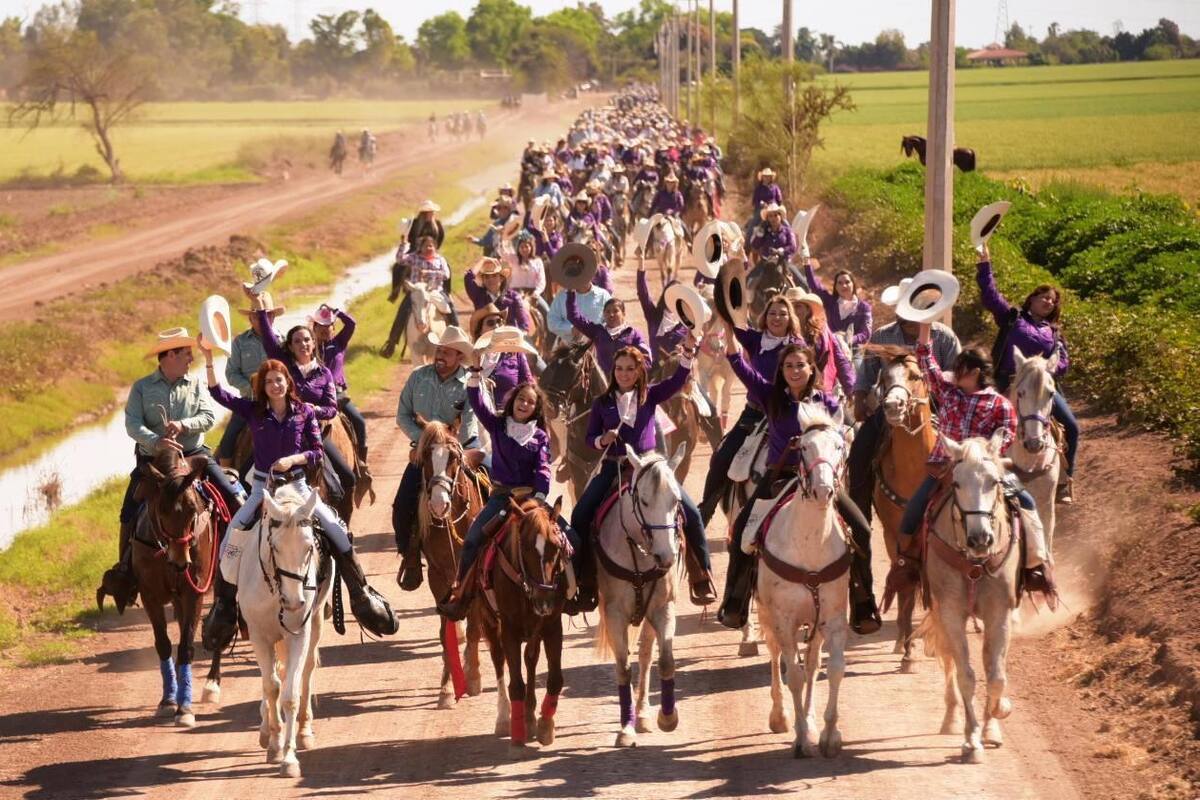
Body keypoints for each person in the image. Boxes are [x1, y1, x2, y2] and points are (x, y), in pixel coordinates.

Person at [200, 348, 397, 648]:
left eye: (279, 380)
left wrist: (293, 460)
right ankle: (224, 608)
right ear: (263, 387)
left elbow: (316, 452)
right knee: (231, 539)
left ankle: (361, 595)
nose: (274, 386)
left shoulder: (304, 412)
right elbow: (218, 393)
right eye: (269, 382)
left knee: (338, 531)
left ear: (287, 383)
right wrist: (208, 360)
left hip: (298, 487)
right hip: (263, 490)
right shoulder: (254, 411)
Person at [717, 333, 881, 633]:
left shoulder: (828, 402)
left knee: (862, 530)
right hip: (779, 477)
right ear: (781, 371)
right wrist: (729, 330)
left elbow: (842, 437)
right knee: (741, 530)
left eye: (800, 365)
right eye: (789, 365)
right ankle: (735, 601)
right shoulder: (771, 397)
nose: (794, 371)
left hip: (821, 479)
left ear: (811, 369)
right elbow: (740, 365)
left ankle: (862, 601)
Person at [898, 322, 1054, 593]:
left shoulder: (1000, 404)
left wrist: (983, 453)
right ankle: (905, 564)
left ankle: (1035, 566)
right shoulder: (948, 392)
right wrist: (925, 323)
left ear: (975, 373)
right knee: (913, 509)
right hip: (945, 469)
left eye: (960, 369)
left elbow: (1007, 436)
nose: (953, 373)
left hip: (985, 471)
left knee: (1027, 504)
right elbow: (925, 360)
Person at [99, 328, 246, 612]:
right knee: (129, 510)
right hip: (153, 462)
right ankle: (126, 571)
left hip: (194, 457)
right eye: (185, 354)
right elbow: (132, 424)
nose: (191, 358)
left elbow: (208, 416)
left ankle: (236, 564)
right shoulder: (141, 388)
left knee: (234, 499)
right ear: (169, 356)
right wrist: (156, 441)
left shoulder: (195, 384)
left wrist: (183, 425)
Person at [570, 345, 717, 608]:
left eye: (630, 369)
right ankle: (585, 581)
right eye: (619, 369)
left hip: (650, 468)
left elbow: (676, 381)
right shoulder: (602, 403)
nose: (624, 374)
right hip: (615, 467)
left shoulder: (649, 396)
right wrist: (602, 440)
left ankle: (701, 576)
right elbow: (589, 438)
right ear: (613, 371)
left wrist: (686, 356)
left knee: (692, 513)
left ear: (639, 372)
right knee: (580, 515)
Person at [435, 380, 580, 620]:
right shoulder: (497, 425)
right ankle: (460, 596)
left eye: (530, 402)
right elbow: (479, 404)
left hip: (533, 498)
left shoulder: (540, 436)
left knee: (572, 539)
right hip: (502, 498)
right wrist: (474, 378)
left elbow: (543, 468)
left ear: (536, 408)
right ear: (513, 401)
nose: (524, 404)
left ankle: (572, 594)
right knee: (472, 540)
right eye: (521, 399)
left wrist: (540, 495)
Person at [976, 244, 1077, 503]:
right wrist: (985, 264)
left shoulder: (1055, 333)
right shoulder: (1013, 318)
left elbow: (1063, 362)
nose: (1048, 301)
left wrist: (1045, 368)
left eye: (1053, 301)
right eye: (1044, 296)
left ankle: (1064, 481)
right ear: (1032, 298)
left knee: (1072, 426)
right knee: (982, 421)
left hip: (1041, 385)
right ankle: (978, 471)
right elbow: (990, 295)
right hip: (1008, 380)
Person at [697, 295, 802, 524]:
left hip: (785, 415)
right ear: (765, 316)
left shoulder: (797, 346)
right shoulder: (756, 339)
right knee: (722, 457)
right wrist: (726, 311)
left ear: (790, 318)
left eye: (782, 313)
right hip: (753, 414)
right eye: (772, 313)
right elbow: (733, 324)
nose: (777, 318)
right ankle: (705, 511)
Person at [392, 329, 482, 591]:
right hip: (425, 451)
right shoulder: (417, 377)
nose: (440, 355)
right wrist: (425, 442)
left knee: (494, 489)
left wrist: (448, 445)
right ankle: (410, 556)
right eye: (439, 350)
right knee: (402, 505)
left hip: (461, 448)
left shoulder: (469, 383)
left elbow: (469, 424)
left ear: (459, 356)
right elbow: (403, 415)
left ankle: (499, 550)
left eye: (447, 352)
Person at [216, 292, 282, 468]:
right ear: (250, 318)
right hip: (249, 402)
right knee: (227, 442)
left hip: (279, 402)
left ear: (273, 317)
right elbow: (231, 373)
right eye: (257, 316)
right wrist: (252, 388)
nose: (262, 319)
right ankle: (227, 477)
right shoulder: (239, 342)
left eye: (267, 315)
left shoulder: (283, 341)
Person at [310, 304, 369, 470]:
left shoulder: (339, 343)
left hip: (339, 395)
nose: (325, 329)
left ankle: (361, 461)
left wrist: (336, 312)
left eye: (328, 325)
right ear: (314, 328)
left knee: (359, 421)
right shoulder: (309, 348)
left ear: (334, 328)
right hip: (317, 397)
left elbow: (351, 324)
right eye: (320, 326)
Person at [382, 234, 457, 358]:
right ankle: (392, 343)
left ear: (435, 247)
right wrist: (403, 244)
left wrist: (428, 273)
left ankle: (456, 336)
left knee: (450, 308)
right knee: (402, 312)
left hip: (434, 291)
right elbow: (400, 259)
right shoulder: (414, 258)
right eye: (425, 246)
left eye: (431, 246)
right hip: (416, 291)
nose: (428, 248)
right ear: (420, 248)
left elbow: (446, 274)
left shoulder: (440, 259)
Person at [803, 256, 873, 363]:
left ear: (853, 284)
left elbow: (865, 334)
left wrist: (849, 339)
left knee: (858, 371)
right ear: (835, 286)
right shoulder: (830, 301)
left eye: (847, 282)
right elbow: (814, 285)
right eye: (839, 283)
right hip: (831, 347)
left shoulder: (864, 307)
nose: (844, 285)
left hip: (854, 350)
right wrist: (807, 263)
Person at [565, 291, 650, 374]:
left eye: (615, 311)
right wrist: (571, 293)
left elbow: (647, 360)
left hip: (626, 380)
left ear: (623, 313)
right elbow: (573, 317)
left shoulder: (634, 334)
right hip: (602, 381)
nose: (611, 314)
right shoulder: (597, 331)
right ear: (604, 314)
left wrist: (631, 372)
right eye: (607, 311)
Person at [470, 304, 532, 409]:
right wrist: (481, 384)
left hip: (508, 413)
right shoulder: (472, 355)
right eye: (490, 323)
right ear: (480, 330)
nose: (496, 326)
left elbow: (528, 383)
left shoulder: (515, 352)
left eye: (499, 321)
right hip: (478, 413)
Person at [464, 257, 532, 332]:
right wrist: (483, 260)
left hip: (510, 336)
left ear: (501, 278)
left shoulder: (513, 297)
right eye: (487, 277)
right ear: (483, 280)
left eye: (494, 276)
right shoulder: (478, 295)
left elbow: (523, 323)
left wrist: (521, 332)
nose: (490, 279)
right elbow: (468, 278)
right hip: (486, 337)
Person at [547, 278, 611, 345]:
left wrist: (596, 332)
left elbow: (613, 323)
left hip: (596, 346)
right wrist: (571, 329)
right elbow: (551, 322)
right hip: (567, 347)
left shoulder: (603, 295)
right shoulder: (562, 296)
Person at [505, 231, 550, 317]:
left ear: (531, 247)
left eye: (526, 246)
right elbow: (502, 252)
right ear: (518, 248)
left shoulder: (538, 261)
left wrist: (536, 293)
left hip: (532, 294)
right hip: (514, 293)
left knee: (548, 313)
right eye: (522, 247)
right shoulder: (513, 259)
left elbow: (542, 281)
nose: (524, 249)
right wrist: (504, 237)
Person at [747, 204, 796, 274]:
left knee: (800, 280)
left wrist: (781, 251)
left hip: (784, 262)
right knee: (749, 279)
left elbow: (792, 246)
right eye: (770, 216)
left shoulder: (788, 231)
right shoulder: (764, 231)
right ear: (768, 218)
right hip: (765, 263)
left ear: (780, 217)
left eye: (776, 215)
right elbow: (755, 245)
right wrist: (761, 232)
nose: (773, 218)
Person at [745, 168, 783, 239]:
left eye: (768, 176)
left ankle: (792, 236)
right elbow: (755, 201)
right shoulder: (758, 189)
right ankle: (747, 242)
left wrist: (775, 204)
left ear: (771, 177)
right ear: (762, 177)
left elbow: (779, 200)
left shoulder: (775, 188)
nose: (767, 178)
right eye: (765, 176)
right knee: (753, 223)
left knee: (784, 222)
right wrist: (762, 203)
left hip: (774, 208)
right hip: (761, 209)